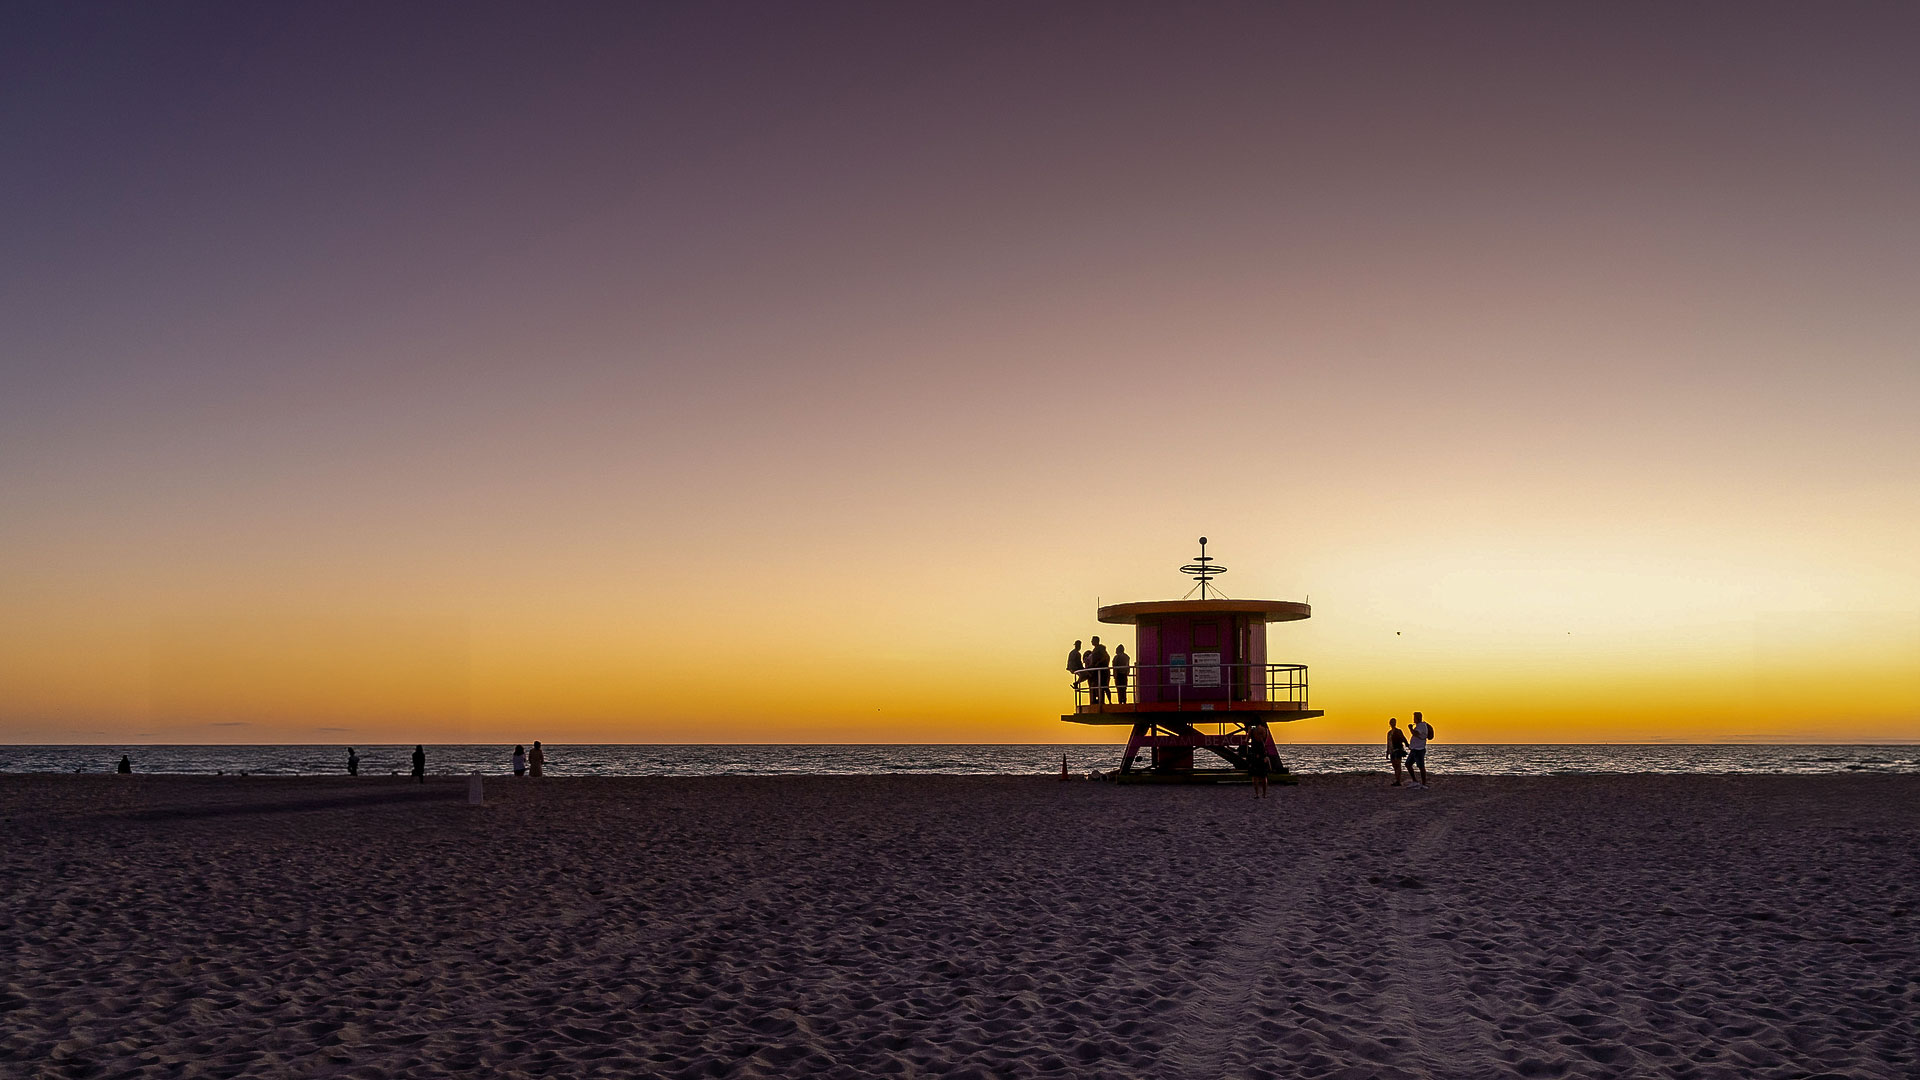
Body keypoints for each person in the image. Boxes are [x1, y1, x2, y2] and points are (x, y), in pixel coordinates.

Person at [1407, 711, 1434, 787]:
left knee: (1421, 767)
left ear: (1417, 718)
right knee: (1408, 764)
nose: (1413, 719)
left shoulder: (1421, 726)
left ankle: (1423, 783)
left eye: (1414, 717)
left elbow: (1416, 733)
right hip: (1415, 749)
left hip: (1419, 749)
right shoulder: (1419, 725)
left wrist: (1410, 729)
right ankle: (1415, 781)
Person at [1246, 730, 1270, 798]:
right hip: (1262, 754)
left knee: (1255, 777)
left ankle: (1257, 794)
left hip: (1255, 755)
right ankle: (1264, 794)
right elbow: (1266, 740)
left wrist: (1249, 731)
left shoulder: (1252, 730)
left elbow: (1246, 740)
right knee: (1264, 776)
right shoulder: (1265, 730)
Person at [1088, 637, 1110, 705]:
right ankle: (1099, 700)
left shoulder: (1100, 649)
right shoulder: (1096, 649)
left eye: (1092, 640)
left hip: (1102, 671)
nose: (1091, 641)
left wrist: (1098, 663)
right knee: (1098, 686)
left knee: (1103, 686)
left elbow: (1105, 657)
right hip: (1097, 671)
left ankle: (1104, 701)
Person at [1386, 718, 1408, 786]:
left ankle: (1398, 781)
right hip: (1392, 750)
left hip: (1398, 749)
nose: (1393, 723)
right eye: (1392, 722)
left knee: (1398, 765)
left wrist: (1407, 744)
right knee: (1394, 766)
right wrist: (1387, 752)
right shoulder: (1389, 733)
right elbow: (1388, 743)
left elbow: (1403, 738)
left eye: (1394, 722)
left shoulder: (1398, 731)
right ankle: (1397, 780)